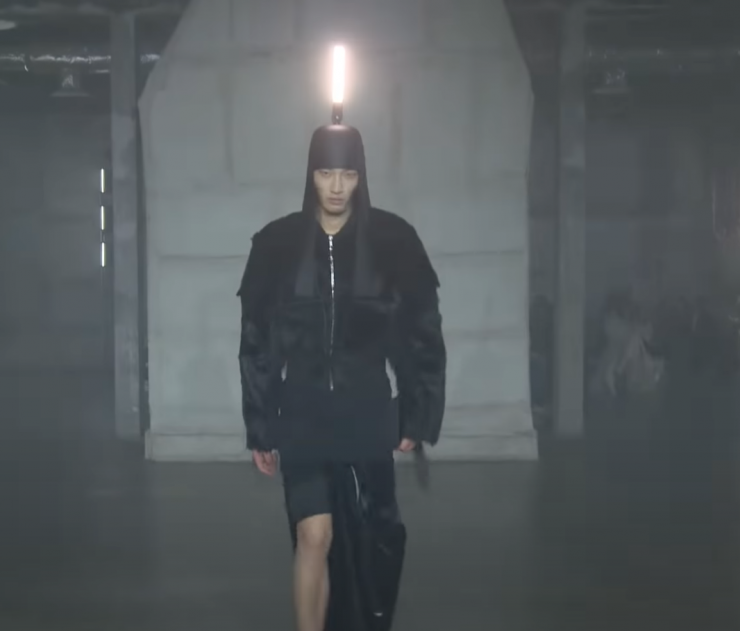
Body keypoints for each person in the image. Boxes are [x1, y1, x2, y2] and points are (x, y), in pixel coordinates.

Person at [237, 123, 446, 631]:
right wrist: (260, 425)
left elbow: (421, 332)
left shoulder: (393, 241)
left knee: (375, 541)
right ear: (311, 174)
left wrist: (416, 412)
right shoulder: (278, 244)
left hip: (366, 413)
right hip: (303, 413)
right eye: (326, 172)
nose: (336, 186)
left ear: (360, 176)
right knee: (313, 536)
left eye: (347, 174)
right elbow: (256, 339)